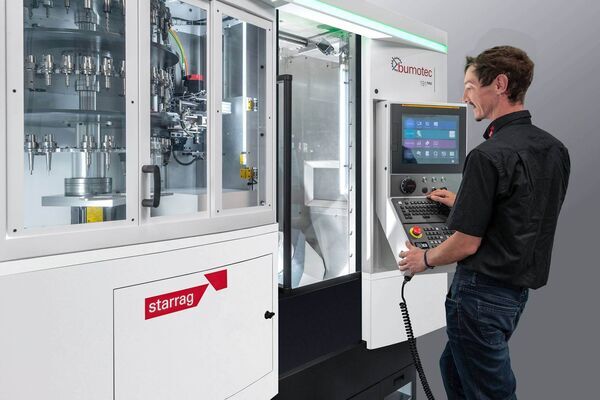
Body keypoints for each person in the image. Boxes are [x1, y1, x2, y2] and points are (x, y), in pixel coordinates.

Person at [397, 46, 570, 399]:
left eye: (470, 87)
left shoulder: (487, 155)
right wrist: (465, 203)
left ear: (500, 84)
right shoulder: (555, 149)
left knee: (492, 392)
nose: (465, 97)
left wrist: (423, 259)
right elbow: (523, 212)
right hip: (514, 295)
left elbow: (465, 243)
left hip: (479, 295)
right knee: (453, 368)